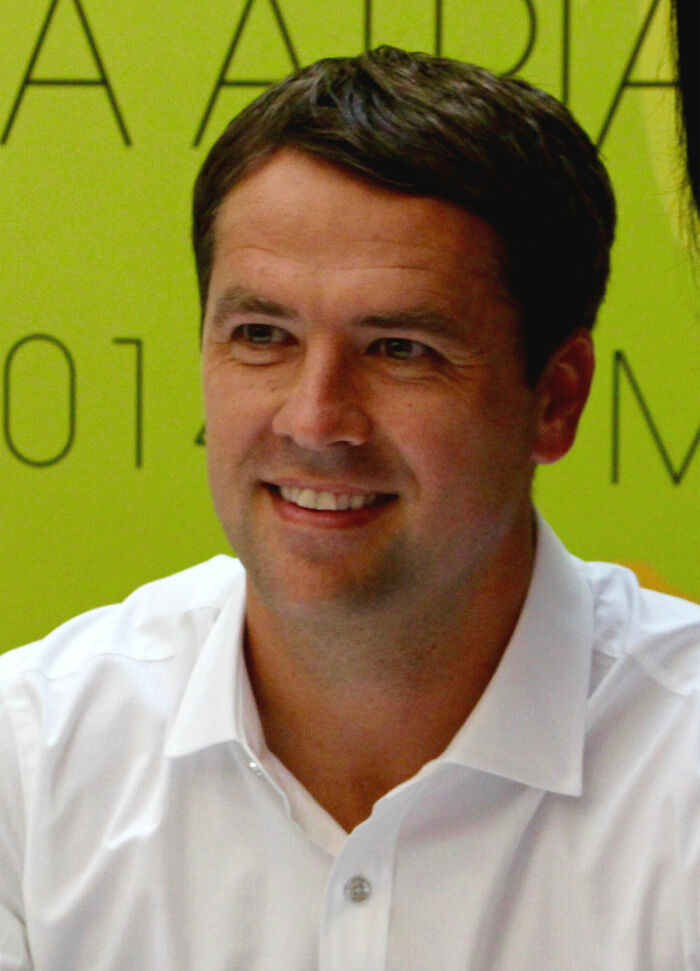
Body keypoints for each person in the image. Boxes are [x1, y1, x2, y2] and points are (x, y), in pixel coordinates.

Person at [0, 46, 698, 970]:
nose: (315, 418)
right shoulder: (28, 762)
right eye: (262, 336)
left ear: (556, 399)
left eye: (401, 348)